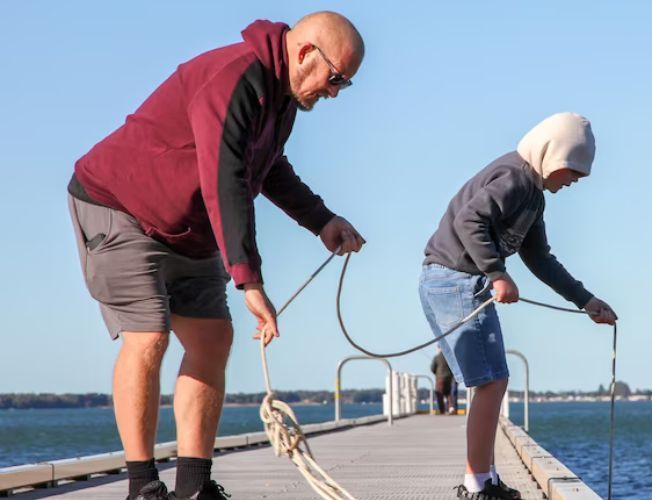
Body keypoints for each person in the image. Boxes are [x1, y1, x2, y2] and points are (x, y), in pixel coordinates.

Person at [67, 11, 366, 500]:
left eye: (345, 86)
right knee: (150, 335)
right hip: (118, 206)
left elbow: (266, 169)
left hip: (187, 229)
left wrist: (322, 220)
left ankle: (193, 487)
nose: (334, 92)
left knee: (213, 338)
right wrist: (249, 280)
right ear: (307, 53)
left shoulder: (283, 98)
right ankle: (142, 487)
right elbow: (225, 177)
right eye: (336, 79)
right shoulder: (234, 77)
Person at [418, 112, 618, 499]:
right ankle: (477, 485)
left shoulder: (534, 197)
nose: (574, 182)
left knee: (494, 379)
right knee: (491, 381)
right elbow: (468, 221)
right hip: (453, 278)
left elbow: (540, 258)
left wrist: (585, 300)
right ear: (552, 156)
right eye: (573, 172)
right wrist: (496, 274)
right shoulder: (514, 178)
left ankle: (484, 477)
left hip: (462, 280)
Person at [431, 347, 456, 415]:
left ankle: (442, 411)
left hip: (440, 378)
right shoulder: (450, 357)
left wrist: (436, 373)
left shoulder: (437, 357)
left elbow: (432, 368)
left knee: (439, 394)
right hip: (449, 377)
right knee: (448, 393)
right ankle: (451, 407)